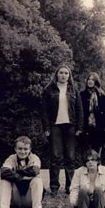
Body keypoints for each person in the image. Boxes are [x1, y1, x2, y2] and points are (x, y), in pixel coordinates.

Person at [41, 64, 83, 196]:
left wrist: (80, 127)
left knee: (70, 157)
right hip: (55, 126)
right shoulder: (49, 90)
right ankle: (54, 187)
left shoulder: (73, 90)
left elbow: (79, 109)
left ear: (69, 76)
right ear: (56, 74)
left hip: (71, 126)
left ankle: (70, 187)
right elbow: (44, 111)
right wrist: (46, 128)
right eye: (61, 73)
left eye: (66, 73)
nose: (64, 75)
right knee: (55, 157)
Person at [0, 136, 43, 208]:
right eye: (20, 148)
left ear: (30, 149)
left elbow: (34, 171)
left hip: (30, 198)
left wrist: (15, 173)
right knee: (5, 181)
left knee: (37, 180)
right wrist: (21, 176)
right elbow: (3, 172)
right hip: (15, 197)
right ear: (15, 149)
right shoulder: (11, 158)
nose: (23, 152)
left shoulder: (34, 158)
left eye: (25, 149)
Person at [80, 72, 105, 155]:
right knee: (86, 152)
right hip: (86, 126)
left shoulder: (102, 96)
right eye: (89, 79)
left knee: (97, 153)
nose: (90, 81)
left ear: (96, 82)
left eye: (92, 79)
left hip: (98, 128)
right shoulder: (82, 95)